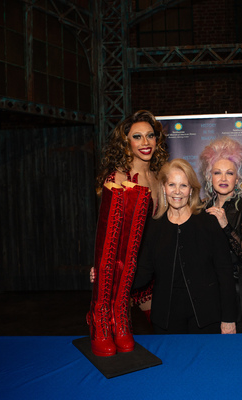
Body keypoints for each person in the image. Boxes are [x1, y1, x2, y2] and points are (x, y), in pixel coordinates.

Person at [87, 110, 168, 357]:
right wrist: (100, 267)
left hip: (151, 271)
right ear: (126, 142)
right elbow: (107, 232)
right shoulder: (119, 179)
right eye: (137, 137)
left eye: (150, 136)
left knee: (165, 331)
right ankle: (99, 319)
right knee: (119, 339)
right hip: (122, 271)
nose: (145, 143)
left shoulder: (159, 176)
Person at [132, 159, 237, 334]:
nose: (177, 191)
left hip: (206, 319)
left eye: (183, 185)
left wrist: (229, 318)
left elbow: (225, 274)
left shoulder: (209, 224)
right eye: (172, 184)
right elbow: (142, 273)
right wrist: (109, 275)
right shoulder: (153, 227)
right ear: (164, 188)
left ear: (191, 190)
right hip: (166, 321)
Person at [200, 137, 242, 333]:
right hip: (212, 289)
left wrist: (225, 225)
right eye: (217, 173)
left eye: (230, 173)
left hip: (241, 290)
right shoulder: (202, 208)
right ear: (209, 177)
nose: (223, 178)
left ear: (238, 178)